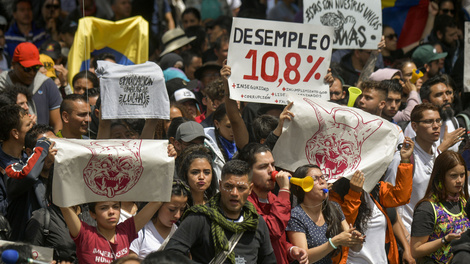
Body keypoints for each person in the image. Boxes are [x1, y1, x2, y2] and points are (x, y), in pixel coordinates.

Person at [165, 159, 277, 263]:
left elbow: (269, 261)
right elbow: (170, 255)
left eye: (241, 188)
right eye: (228, 186)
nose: (234, 193)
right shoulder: (200, 217)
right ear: (220, 185)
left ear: (250, 189)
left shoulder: (256, 222)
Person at [331, 137, 415, 263]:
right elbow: (346, 224)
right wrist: (354, 193)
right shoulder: (334, 196)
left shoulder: (376, 189)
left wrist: (405, 160)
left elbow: (401, 197)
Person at [236, 143, 307, 264]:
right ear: (247, 172)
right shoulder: (243, 202)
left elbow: (277, 241)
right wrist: (284, 190)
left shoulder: (274, 198)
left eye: (273, 165)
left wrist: (291, 250)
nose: (272, 171)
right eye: (263, 167)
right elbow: (271, 231)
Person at [287, 164, 364, 264]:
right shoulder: (296, 215)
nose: (322, 181)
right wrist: (334, 242)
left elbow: (355, 248)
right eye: (315, 179)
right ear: (301, 187)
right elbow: (303, 257)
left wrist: (356, 240)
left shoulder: (334, 208)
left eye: (323, 177)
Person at [411, 150, 470, 263]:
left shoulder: (464, 201)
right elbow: (415, 250)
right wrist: (445, 239)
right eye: (453, 176)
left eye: (462, 175)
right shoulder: (427, 208)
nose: (459, 181)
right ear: (440, 177)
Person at [60, 200, 163, 263]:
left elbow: (157, 202)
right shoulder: (85, 235)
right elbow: (64, 207)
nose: (111, 212)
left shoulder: (125, 231)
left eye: (116, 207)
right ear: (92, 214)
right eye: (104, 208)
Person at [0, 42, 62, 132]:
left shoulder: (46, 84)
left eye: (36, 68)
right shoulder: (2, 84)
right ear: (14, 65)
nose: (32, 72)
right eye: (27, 68)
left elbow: (58, 124)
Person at [130, 180, 189, 259]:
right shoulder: (140, 232)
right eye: (171, 209)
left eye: (182, 210)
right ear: (158, 205)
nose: (177, 215)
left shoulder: (179, 233)